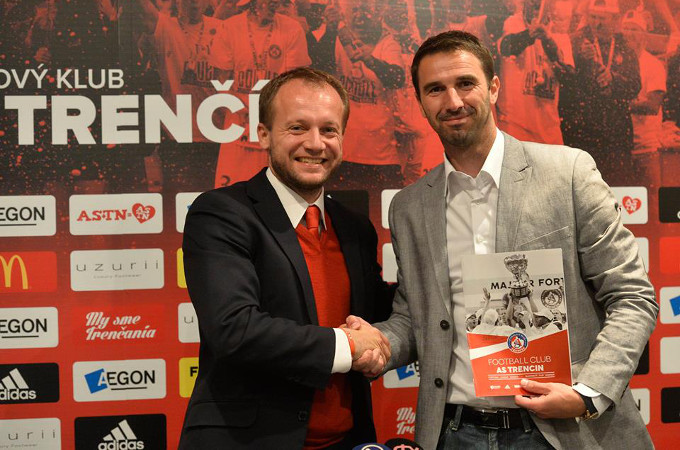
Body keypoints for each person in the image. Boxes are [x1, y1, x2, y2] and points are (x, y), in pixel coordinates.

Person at [347, 30, 657, 449]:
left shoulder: (567, 173)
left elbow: (632, 296)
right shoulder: (409, 207)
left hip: (563, 430)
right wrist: (380, 345)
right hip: (454, 432)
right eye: (435, 89)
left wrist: (587, 394)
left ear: (493, 87)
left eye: (465, 83)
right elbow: (416, 318)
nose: (453, 101)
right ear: (419, 101)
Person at [178, 67, 393, 449]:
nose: (315, 143)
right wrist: (349, 347)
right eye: (297, 128)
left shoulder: (355, 227)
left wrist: (455, 285)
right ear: (264, 134)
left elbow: (377, 313)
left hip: (348, 442)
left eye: (329, 130)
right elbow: (234, 329)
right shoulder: (221, 213)